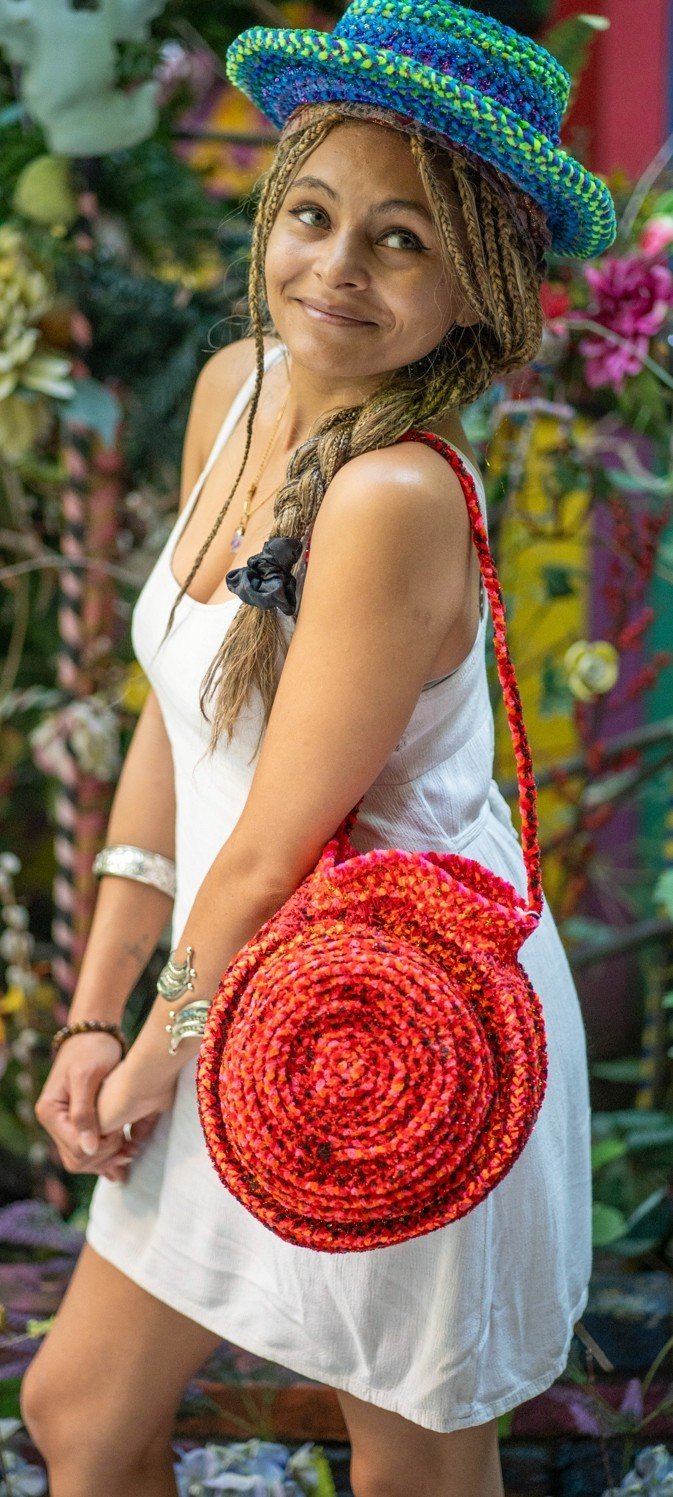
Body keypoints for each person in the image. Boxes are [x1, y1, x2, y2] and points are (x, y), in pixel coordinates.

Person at [23, 3, 616, 1494]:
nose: (334, 269)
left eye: (401, 239)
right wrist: (99, 1012)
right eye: (311, 213)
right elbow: (182, 701)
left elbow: (284, 837)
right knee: (84, 1420)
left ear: (477, 279)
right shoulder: (238, 395)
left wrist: (156, 1040)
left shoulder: (390, 499)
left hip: (393, 1022)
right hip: (219, 978)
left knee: (406, 1464)